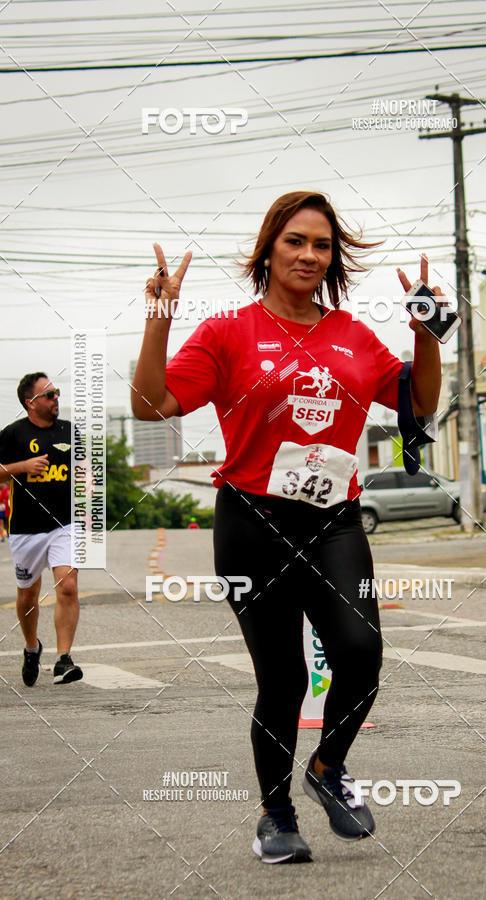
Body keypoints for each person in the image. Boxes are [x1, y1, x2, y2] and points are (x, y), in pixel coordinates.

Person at [132, 191, 443, 864]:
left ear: (334, 258)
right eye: (295, 241)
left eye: (322, 245)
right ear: (269, 249)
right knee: (284, 680)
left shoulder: (353, 337)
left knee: (360, 651)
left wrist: (426, 334)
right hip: (252, 520)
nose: (308, 254)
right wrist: (159, 312)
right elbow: (151, 403)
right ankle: (275, 815)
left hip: (334, 521)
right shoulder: (227, 333)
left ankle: (329, 766)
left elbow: (419, 403)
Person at [0, 373, 83, 687]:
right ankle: (32, 647)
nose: (55, 399)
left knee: (68, 586)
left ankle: (64, 660)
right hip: (25, 530)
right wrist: (22, 467)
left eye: (57, 393)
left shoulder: (70, 432)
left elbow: (83, 468)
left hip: (65, 524)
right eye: (48, 395)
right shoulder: (13, 435)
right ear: (30, 403)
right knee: (27, 595)